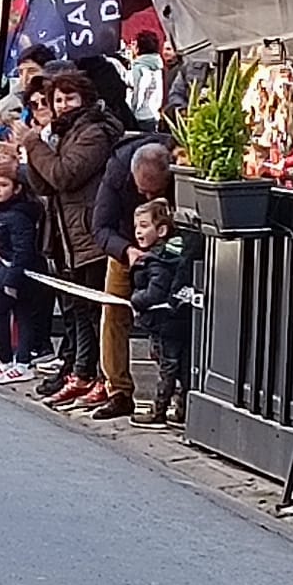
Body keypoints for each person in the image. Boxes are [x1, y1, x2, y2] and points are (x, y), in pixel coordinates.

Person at [21, 70, 127, 417]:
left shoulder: (94, 131)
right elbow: (46, 184)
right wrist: (36, 149)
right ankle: (81, 372)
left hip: (90, 232)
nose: (64, 106)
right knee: (77, 309)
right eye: (58, 100)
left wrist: (34, 145)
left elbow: (66, 174)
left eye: (70, 99)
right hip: (66, 233)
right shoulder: (63, 132)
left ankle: (99, 375)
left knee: (95, 310)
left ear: (85, 99)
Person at [92, 133, 176, 419]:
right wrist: (126, 250)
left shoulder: (176, 159)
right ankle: (118, 390)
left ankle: (176, 394)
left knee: (173, 320)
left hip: (169, 249)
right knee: (113, 313)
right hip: (126, 246)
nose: (149, 197)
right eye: (143, 191)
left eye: (156, 192)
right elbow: (100, 227)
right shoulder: (117, 169)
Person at [128, 199, 198, 429]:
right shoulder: (171, 255)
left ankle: (159, 410)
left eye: (144, 225)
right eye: (137, 225)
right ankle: (182, 408)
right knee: (182, 366)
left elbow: (154, 293)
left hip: (164, 322)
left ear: (162, 230)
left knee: (167, 366)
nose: (138, 230)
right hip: (178, 319)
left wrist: (136, 300)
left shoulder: (158, 261)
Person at [0, 168, 44, 385]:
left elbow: (23, 251)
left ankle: (15, 361)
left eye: (3, 185)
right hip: (7, 267)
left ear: (17, 189)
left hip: (18, 271)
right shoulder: (1, 211)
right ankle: (12, 361)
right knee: (17, 314)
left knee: (3, 311)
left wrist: (11, 280)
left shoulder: (18, 216)